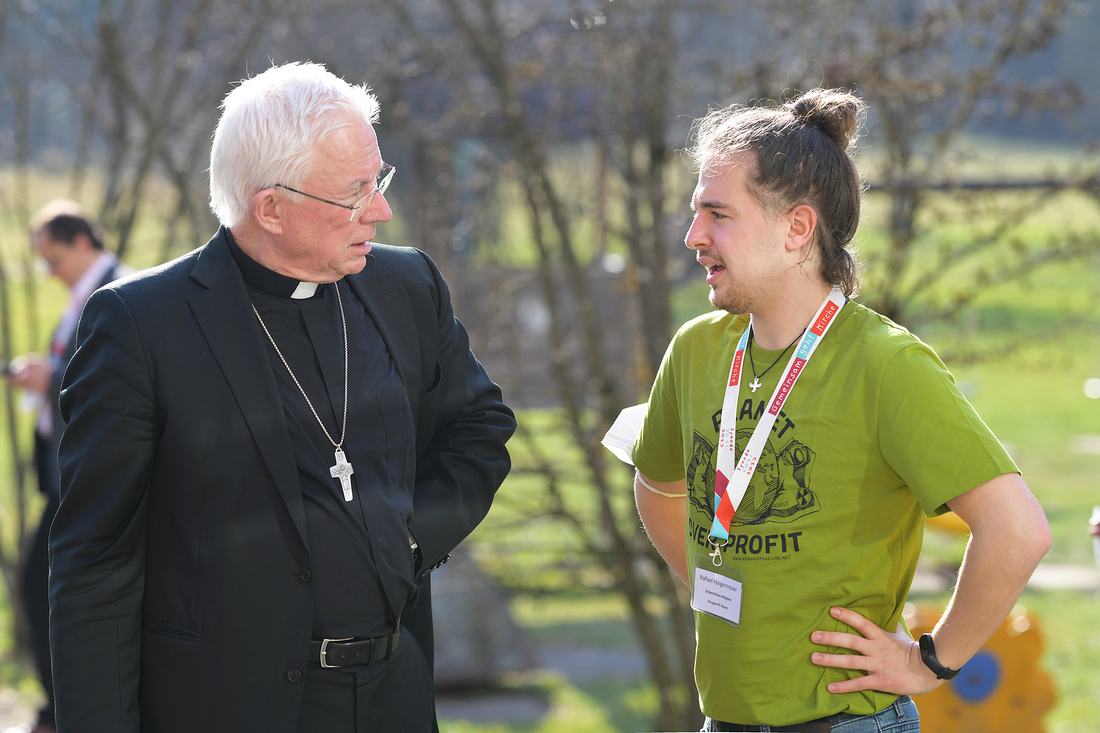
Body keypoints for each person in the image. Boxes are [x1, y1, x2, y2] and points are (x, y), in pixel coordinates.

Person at [48, 61, 515, 733]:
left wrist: (408, 539)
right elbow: (95, 560)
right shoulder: (142, 325)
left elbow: (479, 428)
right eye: (354, 192)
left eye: (377, 179)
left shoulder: (407, 286)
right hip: (225, 707)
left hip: (394, 694)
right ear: (270, 207)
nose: (380, 208)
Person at [631, 88, 1051, 732]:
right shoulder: (693, 351)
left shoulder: (887, 364)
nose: (693, 236)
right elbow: (655, 484)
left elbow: (1018, 531)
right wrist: (716, 582)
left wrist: (931, 662)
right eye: (695, 213)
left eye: (719, 214)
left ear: (798, 228)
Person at [5, 201, 130, 733]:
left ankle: (63, 709)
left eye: (52, 258)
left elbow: (112, 383)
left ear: (82, 242)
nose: (49, 272)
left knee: (45, 586)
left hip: (87, 477)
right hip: (63, 474)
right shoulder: (85, 294)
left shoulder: (119, 293)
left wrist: (49, 379)